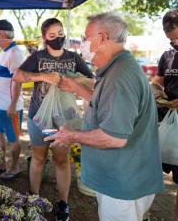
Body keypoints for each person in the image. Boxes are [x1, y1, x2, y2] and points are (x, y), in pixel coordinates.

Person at [45, 12, 164, 221]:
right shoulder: (118, 67)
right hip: (123, 180)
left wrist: (70, 136)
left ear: (100, 38)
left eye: (85, 37)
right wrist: (77, 89)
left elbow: (114, 138)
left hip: (123, 186)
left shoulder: (120, 76)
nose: (82, 43)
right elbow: (109, 106)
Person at [13, 18, 94, 221]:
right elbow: (17, 76)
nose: (58, 38)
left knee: (61, 160)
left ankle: (63, 204)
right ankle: (34, 199)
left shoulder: (74, 58)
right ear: (44, 38)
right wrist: (43, 76)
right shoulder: (37, 57)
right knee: (39, 158)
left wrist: (75, 79)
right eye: (52, 35)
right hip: (39, 118)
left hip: (64, 120)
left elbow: (93, 80)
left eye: (60, 33)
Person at [0, 19, 24, 179]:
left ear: (2, 34)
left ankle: (15, 167)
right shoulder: (4, 51)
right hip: (1, 106)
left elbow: (18, 81)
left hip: (10, 107)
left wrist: (13, 104)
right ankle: (2, 162)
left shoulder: (15, 53)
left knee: (13, 138)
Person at [153, 9, 178, 221]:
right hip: (166, 122)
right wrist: (154, 90)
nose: (175, 43)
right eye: (171, 40)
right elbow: (158, 82)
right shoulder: (167, 56)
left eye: (177, 37)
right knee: (155, 169)